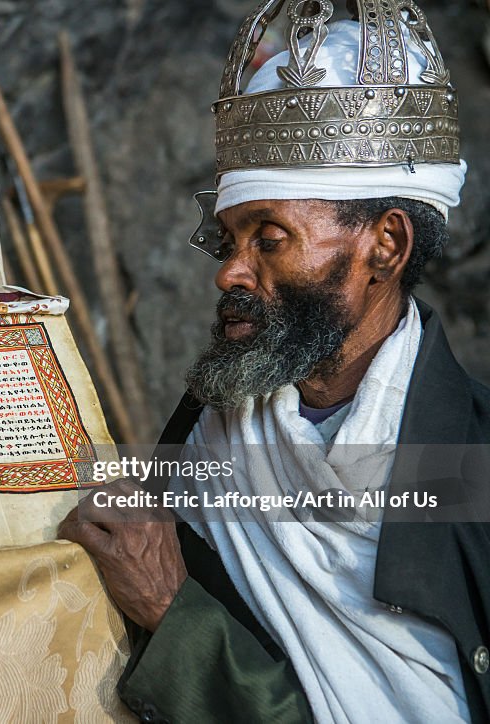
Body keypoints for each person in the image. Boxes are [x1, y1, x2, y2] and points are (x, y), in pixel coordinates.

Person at [60, 4, 490, 723]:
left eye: (269, 237)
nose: (230, 271)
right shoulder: (217, 422)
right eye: (228, 239)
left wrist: (174, 612)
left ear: (384, 246)